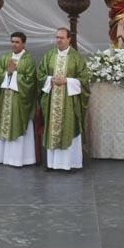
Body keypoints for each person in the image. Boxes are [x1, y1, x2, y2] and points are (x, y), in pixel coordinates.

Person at [39, 28, 89, 171]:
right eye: (57, 37)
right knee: (53, 129)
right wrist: (51, 79)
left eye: (61, 38)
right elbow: (41, 74)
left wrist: (66, 81)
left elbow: (84, 79)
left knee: (68, 127)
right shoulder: (49, 55)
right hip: (52, 100)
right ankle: (52, 164)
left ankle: (69, 163)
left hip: (69, 102)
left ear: (69, 39)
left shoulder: (76, 57)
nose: (58, 40)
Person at [0, 32, 38, 167]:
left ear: (23, 44)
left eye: (17, 42)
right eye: (12, 42)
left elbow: (31, 81)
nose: (14, 45)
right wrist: (7, 73)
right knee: (3, 124)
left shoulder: (29, 60)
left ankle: (19, 159)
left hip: (20, 101)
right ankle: (0, 156)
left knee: (17, 124)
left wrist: (14, 74)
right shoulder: (5, 57)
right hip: (5, 99)